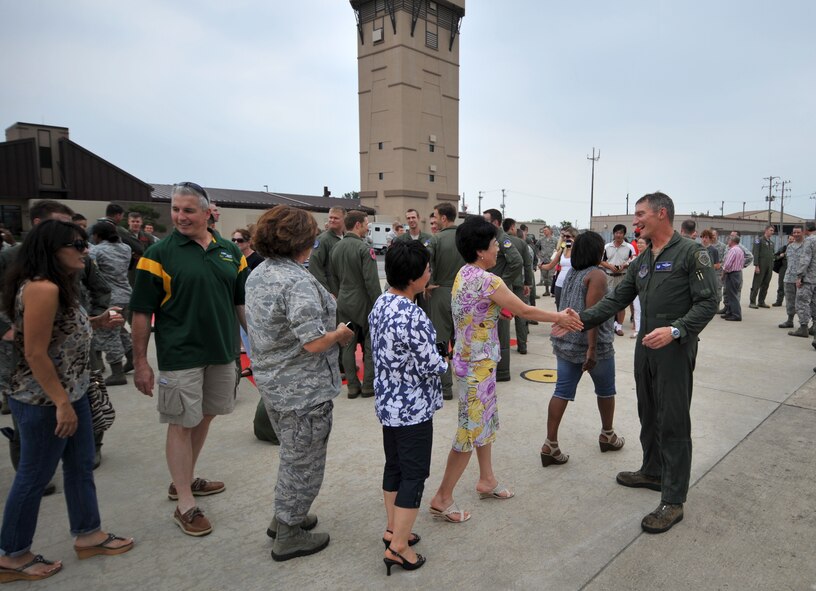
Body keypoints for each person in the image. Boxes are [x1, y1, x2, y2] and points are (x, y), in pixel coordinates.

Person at [557, 192, 717, 534]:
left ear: (662, 214)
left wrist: (676, 330)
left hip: (674, 349)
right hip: (645, 349)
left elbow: (708, 302)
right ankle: (653, 470)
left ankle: (673, 499)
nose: (635, 221)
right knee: (648, 411)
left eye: (640, 214)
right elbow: (616, 298)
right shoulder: (643, 259)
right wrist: (578, 320)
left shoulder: (691, 253)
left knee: (673, 420)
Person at [0, 220, 133, 583]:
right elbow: (34, 352)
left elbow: (58, 330)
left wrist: (97, 321)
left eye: (84, 242)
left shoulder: (59, 286)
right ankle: (11, 556)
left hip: (71, 392)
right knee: (34, 475)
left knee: (79, 466)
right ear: (51, 250)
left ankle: (88, 533)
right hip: (44, 400)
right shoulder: (42, 288)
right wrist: (61, 403)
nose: (84, 250)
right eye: (76, 244)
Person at [428, 216, 582, 524]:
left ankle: (487, 479)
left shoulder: (464, 274)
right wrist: (560, 318)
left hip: (472, 363)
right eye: (495, 244)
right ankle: (442, 497)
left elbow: (496, 310)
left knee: (485, 422)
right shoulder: (489, 280)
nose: (498, 248)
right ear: (482, 250)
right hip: (476, 367)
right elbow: (523, 310)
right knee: (469, 432)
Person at [130, 182, 249, 537]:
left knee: (206, 414)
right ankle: (185, 502)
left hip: (222, 351)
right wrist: (140, 362)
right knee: (181, 423)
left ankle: (182, 479)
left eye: (188, 210)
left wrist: (256, 347)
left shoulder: (230, 252)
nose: (180, 216)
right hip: (180, 354)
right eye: (175, 209)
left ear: (208, 212)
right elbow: (140, 313)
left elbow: (240, 303)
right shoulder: (158, 255)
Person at [244, 205, 353, 561]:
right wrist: (339, 334)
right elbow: (312, 342)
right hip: (302, 390)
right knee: (303, 460)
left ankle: (284, 517)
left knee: (293, 455)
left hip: (274, 384)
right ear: (303, 242)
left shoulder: (259, 273)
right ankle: (289, 530)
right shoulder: (297, 282)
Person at [369, 240, 448, 575]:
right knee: (415, 474)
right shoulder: (412, 314)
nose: (429, 272)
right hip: (413, 407)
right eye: (427, 268)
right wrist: (447, 358)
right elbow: (431, 365)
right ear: (415, 277)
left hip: (389, 403)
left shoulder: (382, 303)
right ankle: (399, 547)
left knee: (395, 468)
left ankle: (393, 529)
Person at [541, 231, 624, 466]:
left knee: (561, 392)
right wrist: (592, 350)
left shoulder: (572, 273)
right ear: (597, 252)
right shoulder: (596, 275)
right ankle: (607, 435)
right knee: (606, 390)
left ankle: (550, 444)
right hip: (592, 344)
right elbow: (592, 316)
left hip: (566, 342)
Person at [331, 210, 382, 398]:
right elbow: (371, 281)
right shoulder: (364, 249)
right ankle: (368, 385)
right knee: (369, 344)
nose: (368, 227)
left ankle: (352, 386)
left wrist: (340, 294)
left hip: (344, 301)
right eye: (366, 223)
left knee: (347, 345)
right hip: (364, 303)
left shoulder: (336, 248)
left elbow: (333, 278)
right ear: (358, 225)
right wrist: (379, 304)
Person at [426, 202, 465, 401]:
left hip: (440, 292)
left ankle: (446, 387)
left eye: (435, 216)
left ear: (443, 218)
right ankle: (466, 382)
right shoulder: (465, 238)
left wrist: (428, 283)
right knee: (463, 340)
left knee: (441, 341)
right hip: (464, 294)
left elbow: (423, 259)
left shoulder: (436, 239)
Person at [88, 222, 133, 386]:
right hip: (126, 295)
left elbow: (91, 273)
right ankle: (131, 358)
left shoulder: (96, 251)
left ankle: (117, 372)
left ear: (97, 235)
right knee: (120, 330)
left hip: (109, 298)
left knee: (109, 334)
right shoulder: (126, 248)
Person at [482, 209, 523, 382]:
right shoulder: (491, 238)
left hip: (498, 291)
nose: (484, 224)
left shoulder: (501, 239)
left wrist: (502, 280)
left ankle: (503, 371)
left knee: (501, 331)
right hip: (492, 291)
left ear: (497, 223)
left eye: (487, 221)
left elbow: (517, 261)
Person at [503, 218, 533, 354]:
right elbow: (527, 264)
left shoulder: (499, 241)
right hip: (519, 283)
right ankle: (522, 346)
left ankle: (503, 345)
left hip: (504, 284)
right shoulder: (521, 243)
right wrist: (528, 282)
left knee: (503, 315)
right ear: (513, 227)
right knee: (521, 313)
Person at [601, 224, 636, 336]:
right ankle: (609, 326)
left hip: (623, 277)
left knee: (621, 302)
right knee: (608, 302)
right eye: (616, 233)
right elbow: (601, 261)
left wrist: (624, 265)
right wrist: (609, 266)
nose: (618, 235)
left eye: (621, 233)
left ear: (624, 234)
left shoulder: (629, 247)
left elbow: (633, 259)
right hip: (609, 277)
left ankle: (619, 327)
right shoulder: (607, 247)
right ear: (613, 234)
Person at [309, 207, 345, 296]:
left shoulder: (346, 238)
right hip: (332, 292)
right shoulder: (323, 240)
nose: (332, 220)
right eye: (330, 217)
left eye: (336, 218)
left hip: (345, 292)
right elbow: (315, 268)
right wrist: (326, 292)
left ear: (344, 220)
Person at [540, 227, 578, 309]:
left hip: (572, 285)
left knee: (571, 310)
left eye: (568, 236)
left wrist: (575, 246)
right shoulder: (562, 249)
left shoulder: (579, 251)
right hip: (559, 284)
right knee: (560, 309)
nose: (565, 238)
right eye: (564, 236)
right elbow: (551, 265)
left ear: (574, 237)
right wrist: (541, 266)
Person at [778, 228, 804, 329]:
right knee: (789, 300)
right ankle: (790, 320)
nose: (796, 234)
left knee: (803, 302)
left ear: (802, 233)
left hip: (801, 279)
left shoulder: (806, 246)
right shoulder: (789, 247)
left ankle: (804, 324)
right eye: (794, 233)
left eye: (798, 232)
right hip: (789, 277)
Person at [749, 225, 775, 309]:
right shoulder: (758, 240)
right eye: (771, 230)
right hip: (761, 266)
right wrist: (756, 265)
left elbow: (772, 255)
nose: (772, 232)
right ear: (766, 230)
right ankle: (752, 302)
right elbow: (755, 253)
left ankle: (761, 301)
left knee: (766, 284)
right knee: (756, 284)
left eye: (773, 231)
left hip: (769, 266)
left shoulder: (771, 243)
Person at [721, 235, 745, 321]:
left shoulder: (733, 250)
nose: (728, 241)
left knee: (732, 295)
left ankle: (736, 315)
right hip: (737, 273)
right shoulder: (740, 250)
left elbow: (727, 264)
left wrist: (723, 273)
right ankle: (730, 312)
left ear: (733, 241)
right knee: (732, 294)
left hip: (732, 274)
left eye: (729, 239)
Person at [537, 226, 558, 294]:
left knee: (551, 276)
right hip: (544, 261)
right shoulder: (541, 240)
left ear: (549, 231)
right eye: (543, 230)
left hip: (552, 261)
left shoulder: (555, 240)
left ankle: (553, 291)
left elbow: (558, 249)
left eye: (545, 230)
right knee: (545, 277)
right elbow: (536, 247)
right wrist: (539, 255)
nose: (544, 232)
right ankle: (547, 291)